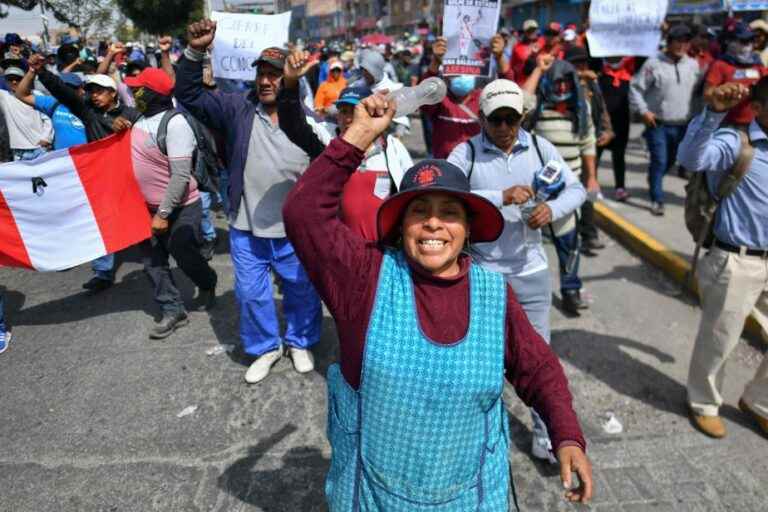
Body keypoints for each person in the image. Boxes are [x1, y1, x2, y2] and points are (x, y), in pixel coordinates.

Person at [283, 91, 593, 510]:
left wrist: (566, 434)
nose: (433, 222)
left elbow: (537, 368)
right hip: (371, 494)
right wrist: (357, 136)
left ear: (467, 228)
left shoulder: (492, 292)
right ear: (400, 225)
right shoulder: (366, 276)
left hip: (470, 495)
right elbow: (304, 213)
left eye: (449, 212)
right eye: (419, 211)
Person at [177, 20, 328, 384]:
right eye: (260, 74)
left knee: (300, 288)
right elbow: (191, 94)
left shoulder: (310, 124)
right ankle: (265, 347)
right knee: (249, 293)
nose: (264, 81)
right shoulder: (237, 109)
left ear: (289, 79)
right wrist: (195, 51)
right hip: (246, 226)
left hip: (293, 230)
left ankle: (299, 341)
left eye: (274, 75)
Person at [448, 78, 586, 463]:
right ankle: (479, 436)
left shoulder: (541, 148)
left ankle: (545, 438)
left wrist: (552, 210)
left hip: (530, 272)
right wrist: (500, 197)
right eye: (497, 120)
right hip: (482, 273)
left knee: (538, 359)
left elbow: (576, 190)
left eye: (512, 119)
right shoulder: (467, 153)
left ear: (522, 117)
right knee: (480, 360)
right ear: (482, 119)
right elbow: (449, 195)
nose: (505, 128)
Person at [678, 80, 768, 439]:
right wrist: (713, 113)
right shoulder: (738, 143)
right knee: (720, 340)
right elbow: (690, 158)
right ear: (759, 109)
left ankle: (759, 401)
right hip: (735, 261)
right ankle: (703, 402)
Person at [119, 67, 219, 338]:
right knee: (153, 262)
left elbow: (180, 177)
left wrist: (163, 213)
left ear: (153, 95)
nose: (133, 92)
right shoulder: (137, 119)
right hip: (144, 208)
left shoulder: (175, 124)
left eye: (138, 89)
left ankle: (208, 281)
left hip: (182, 207)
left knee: (184, 253)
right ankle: (172, 310)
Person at [31, 55, 142, 293]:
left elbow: (149, 140)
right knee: (101, 222)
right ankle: (102, 273)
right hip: (101, 179)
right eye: (91, 91)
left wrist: (129, 129)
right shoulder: (88, 113)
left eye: (100, 91)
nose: (94, 95)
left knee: (143, 220)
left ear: (113, 93)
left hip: (133, 178)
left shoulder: (132, 114)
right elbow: (65, 93)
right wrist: (42, 72)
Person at [278, 50, 413, 240]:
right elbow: (293, 125)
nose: (350, 118)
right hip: (340, 252)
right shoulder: (328, 140)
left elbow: (413, 190)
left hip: (384, 253)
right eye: (344, 111)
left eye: (356, 111)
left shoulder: (390, 146)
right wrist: (290, 84)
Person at [523, 55, 596, 315]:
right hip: (538, 189)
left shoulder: (581, 107)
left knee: (568, 244)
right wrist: (539, 71)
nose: (562, 87)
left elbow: (588, 143)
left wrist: (591, 178)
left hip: (568, 191)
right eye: (557, 81)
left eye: (566, 82)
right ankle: (524, 295)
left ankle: (570, 291)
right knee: (529, 244)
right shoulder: (538, 106)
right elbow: (520, 101)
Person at [629, 24, 702, 216]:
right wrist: (644, 111)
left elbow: (698, 94)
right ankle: (657, 199)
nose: (682, 45)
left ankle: (654, 179)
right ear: (669, 42)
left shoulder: (693, 65)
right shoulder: (653, 63)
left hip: (683, 126)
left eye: (686, 42)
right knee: (659, 160)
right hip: (658, 124)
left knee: (670, 161)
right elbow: (635, 88)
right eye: (678, 41)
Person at [564, 45, 614, 254]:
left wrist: (608, 129)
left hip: (589, 144)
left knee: (590, 188)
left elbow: (601, 109)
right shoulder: (563, 85)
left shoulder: (592, 84)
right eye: (576, 64)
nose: (581, 67)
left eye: (583, 63)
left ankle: (588, 234)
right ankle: (567, 234)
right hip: (567, 147)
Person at [704, 22, 768, 130]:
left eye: (750, 40)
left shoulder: (758, 65)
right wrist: (725, 93)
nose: (747, 45)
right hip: (728, 126)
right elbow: (707, 94)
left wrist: (754, 90)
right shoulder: (720, 65)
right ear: (730, 42)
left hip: (756, 126)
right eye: (743, 41)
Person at [15, 69, 87, 151]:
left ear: (81, 89)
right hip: (62, 159)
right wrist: (32, 71)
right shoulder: (53, 103)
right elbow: (21, 94)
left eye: (72, 88)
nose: (67, 91)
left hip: (87, 158)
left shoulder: (90, 106)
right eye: (63, 87)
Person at [598, 56, 635, 201]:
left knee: (619, 156)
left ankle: (620, 188)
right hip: (601, 123)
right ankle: (592, 187)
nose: (615, 59)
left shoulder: (627, 75)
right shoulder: (600, 74)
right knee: (595, 155)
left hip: (621, 123)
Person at [0, 64, 53, 161]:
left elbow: (48, 119)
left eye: (18, 78)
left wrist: (46, 138)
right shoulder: (4, 97)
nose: (14, 82)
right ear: (5, 81)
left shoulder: (37, 95)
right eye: (10, 79)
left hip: (40, 149)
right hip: (18, 152)